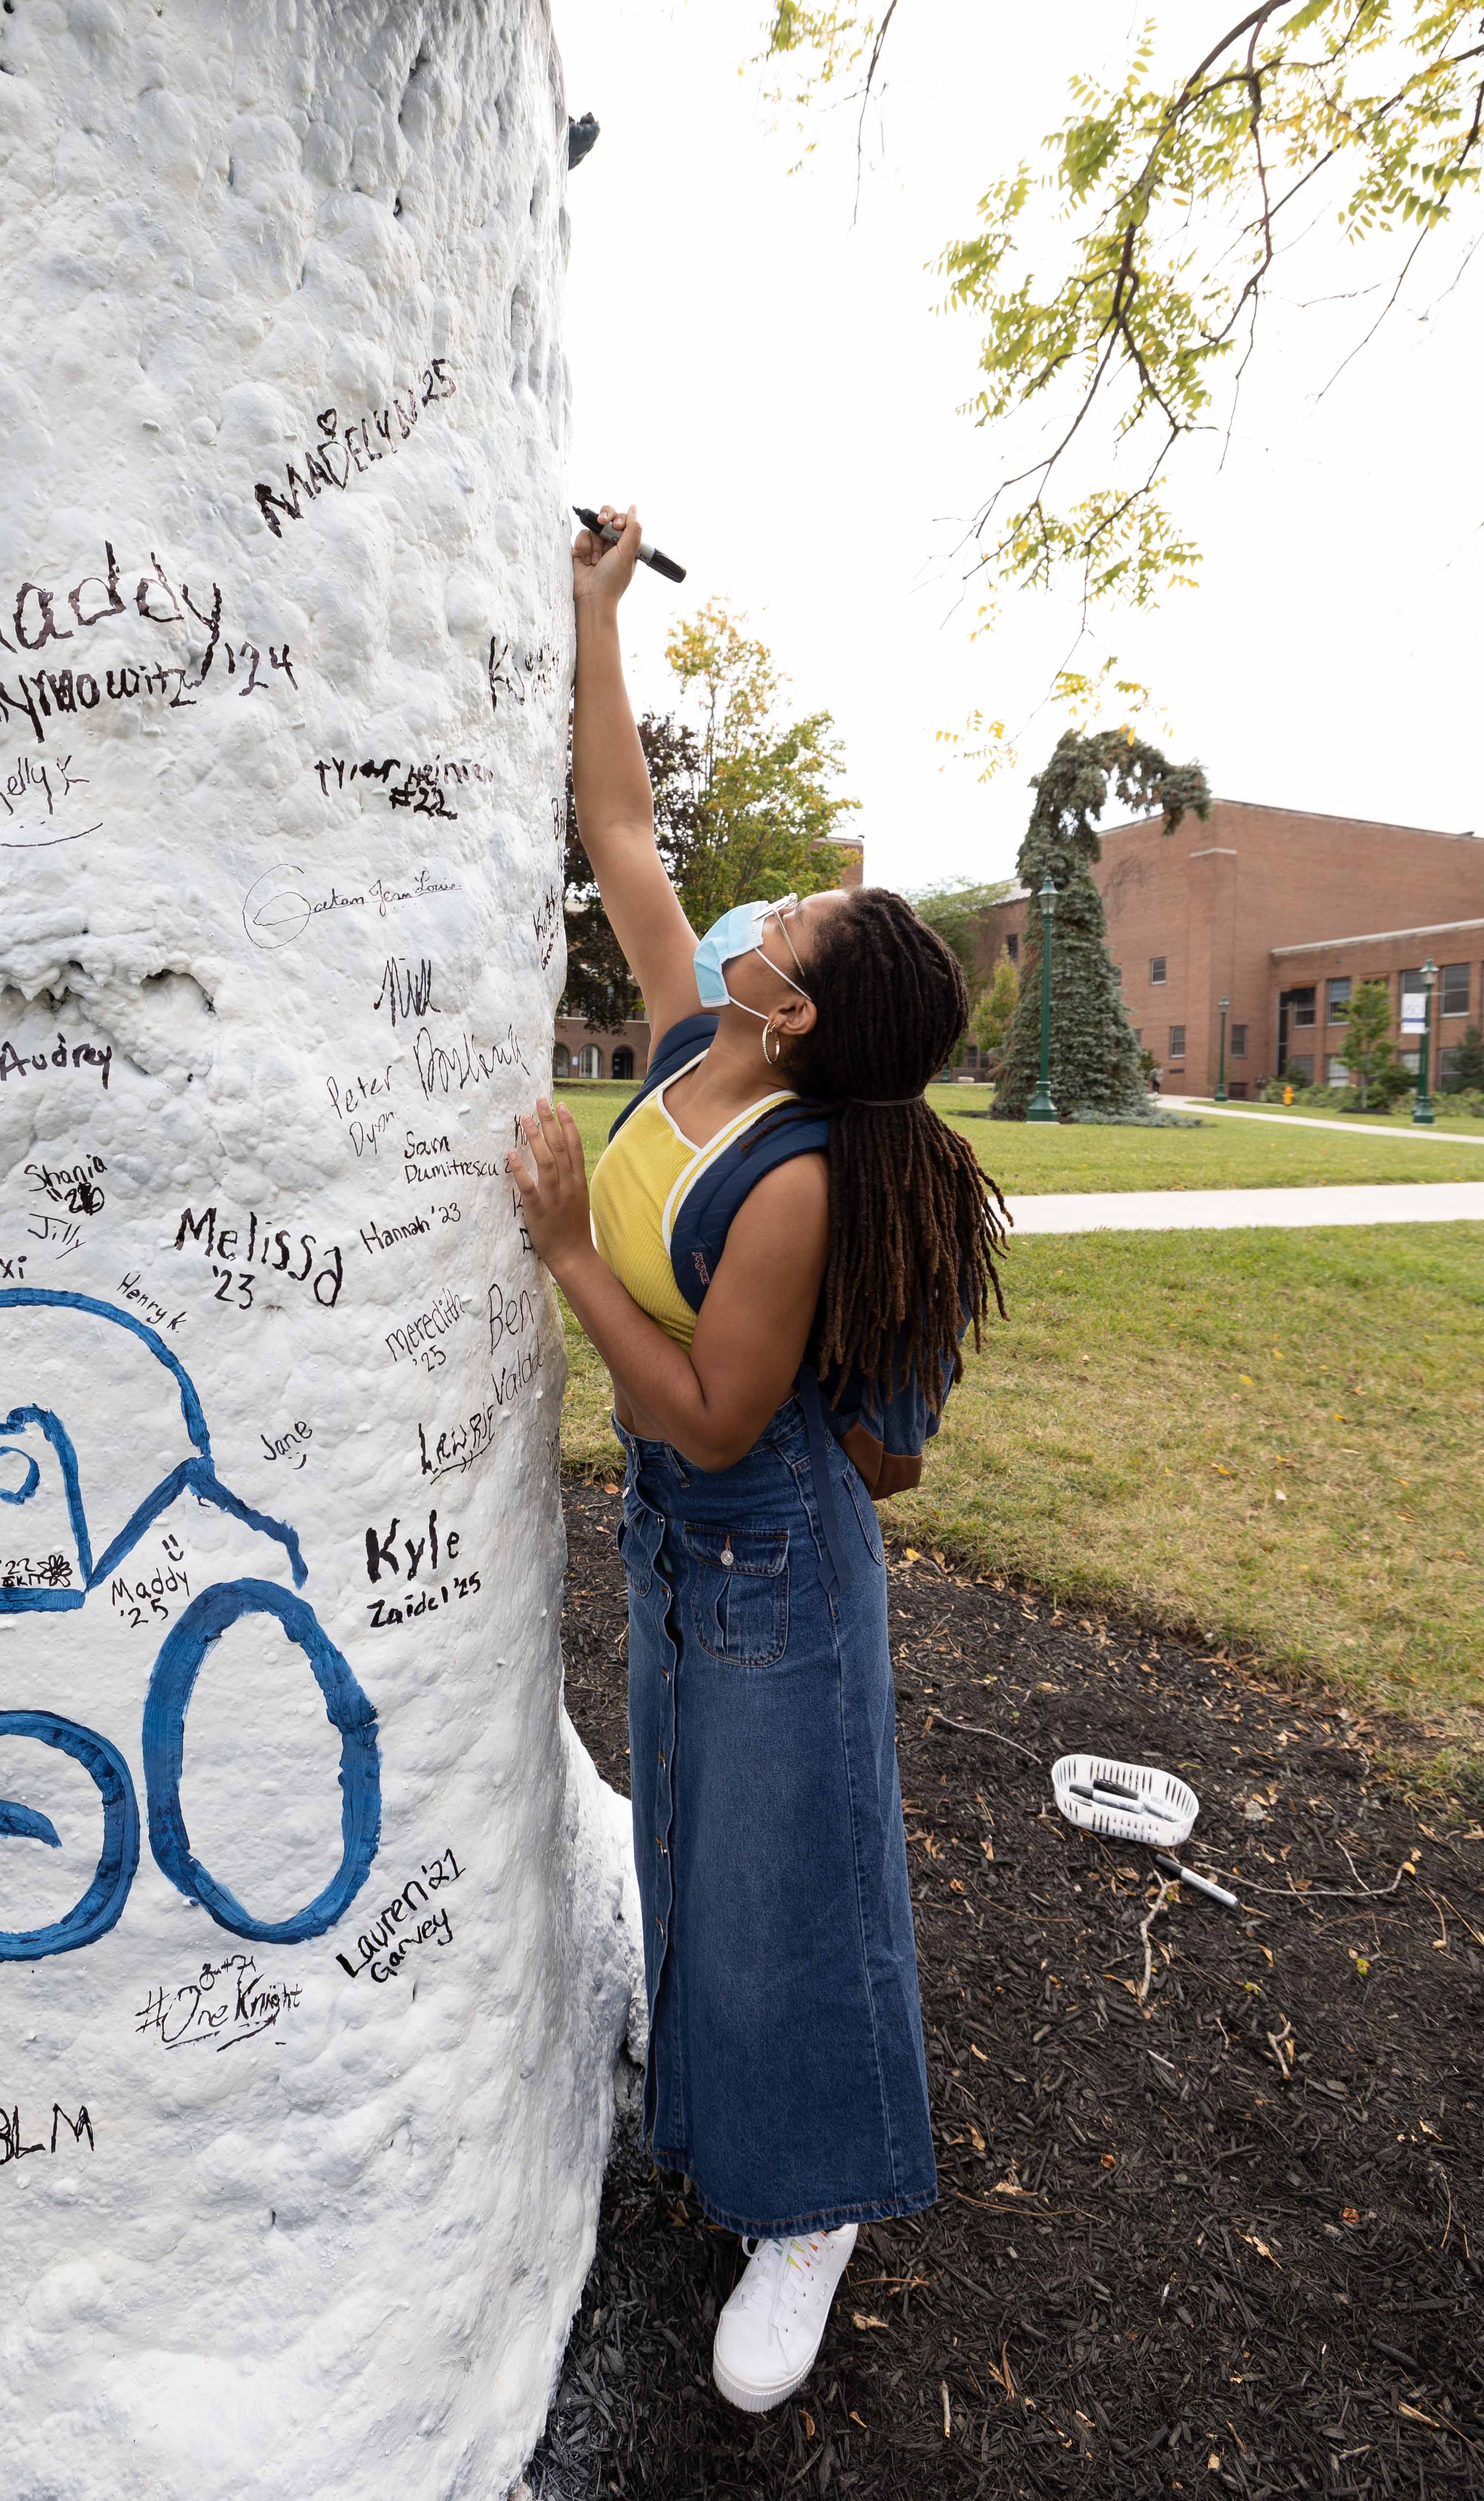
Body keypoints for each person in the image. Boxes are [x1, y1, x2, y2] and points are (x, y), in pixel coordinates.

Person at [506, 508, 1009, 2414]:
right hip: (681, 1547)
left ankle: (816, 2208)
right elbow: (625, 837)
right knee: (697, 1848)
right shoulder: (697, 1041)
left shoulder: (790, 1173)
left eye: (792, 928)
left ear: (795, 1006)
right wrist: (593, 615)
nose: (765, 909)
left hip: (767, 1549)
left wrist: (569, 1254)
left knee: (794, 1877)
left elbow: (714, 1414)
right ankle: (727, 2134)